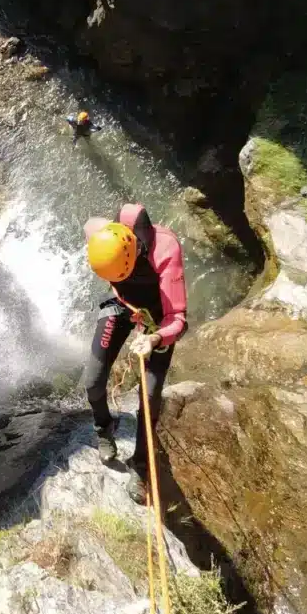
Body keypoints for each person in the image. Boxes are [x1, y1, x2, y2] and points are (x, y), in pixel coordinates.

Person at [82, 204, 187, 503]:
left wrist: (154, 338)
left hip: (158, 316)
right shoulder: (102, 235)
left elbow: (178, 318)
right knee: (92, 381)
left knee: (149, 397)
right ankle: (104, 427)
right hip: (123, 305)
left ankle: (140, 465)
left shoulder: (166, 250)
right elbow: (89, 222)